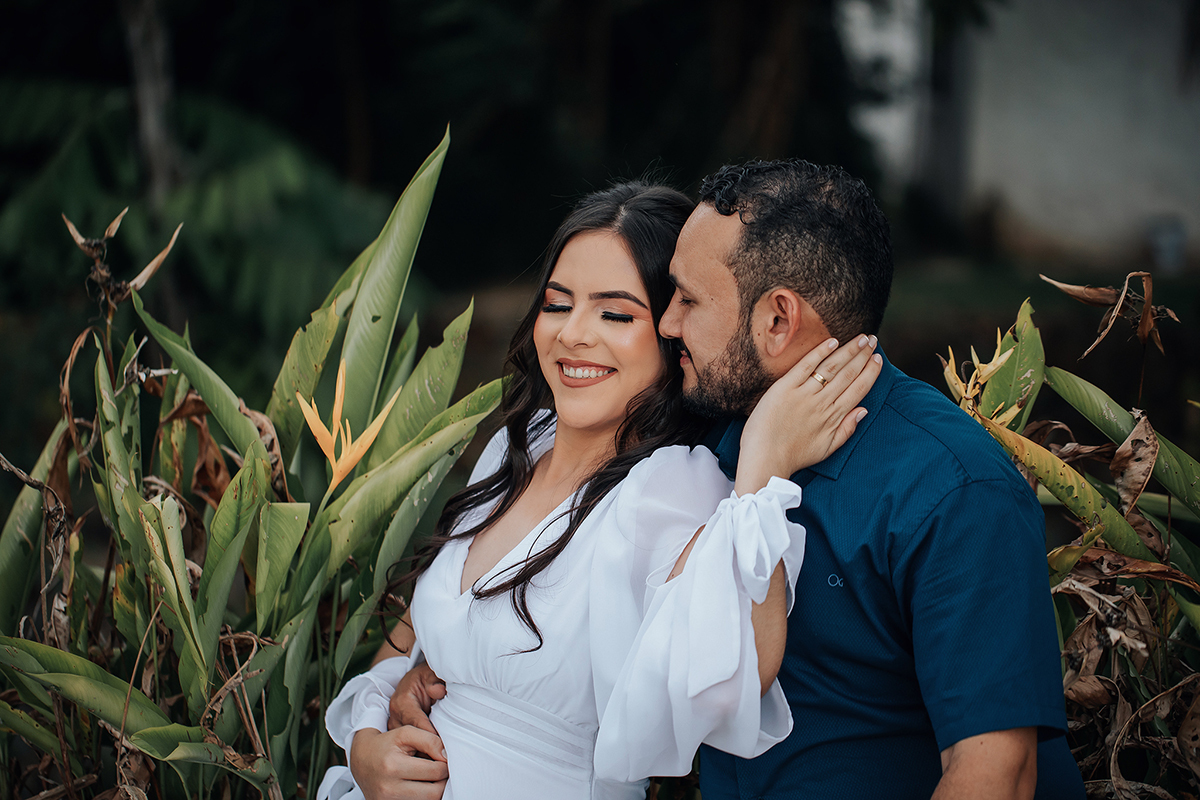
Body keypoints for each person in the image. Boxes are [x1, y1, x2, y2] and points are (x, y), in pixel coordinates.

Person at [316, 181, 881, 800]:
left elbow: (729, 677)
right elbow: (418, 630)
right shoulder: (517, 445)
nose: (572, 334)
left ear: (671, 332)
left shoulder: (669, 488)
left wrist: (763, 473)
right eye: (557, 305)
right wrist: (367, 742)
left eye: (615, 314)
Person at [657, 159, 1085, 799]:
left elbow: (995, 776)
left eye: (688, 300)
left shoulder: (954, 491)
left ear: (779, 320)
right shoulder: (714, 444)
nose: (668, 323)